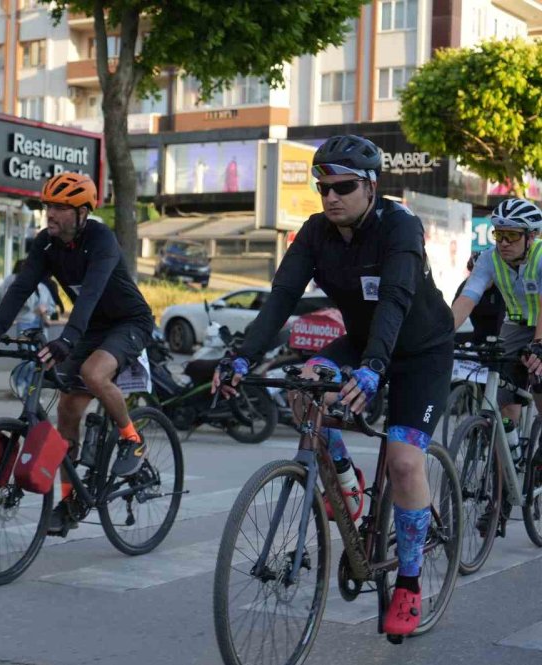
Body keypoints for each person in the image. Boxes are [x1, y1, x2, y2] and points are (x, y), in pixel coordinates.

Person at [212, 134, 455, 636]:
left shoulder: (400, 228)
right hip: (363, 342)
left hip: (418, 351)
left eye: (343, 187)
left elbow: (395, 301)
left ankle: (409, 585)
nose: (331, 198)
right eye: (323, 188)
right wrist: (241, 357)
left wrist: (373, 369)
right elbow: (280, 299)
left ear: (370, 187)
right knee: (302, 383)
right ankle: (345, 481)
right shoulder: (316, 232)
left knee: (406, 461)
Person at [0, 172, 156, 534]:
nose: (50, 214)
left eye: (59, 208)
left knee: (94, 373)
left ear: (82, 212)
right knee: (68, 408)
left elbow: (89, 295)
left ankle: (133, 439)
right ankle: (71, 501)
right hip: (90, 328)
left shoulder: (101, 239)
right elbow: (21, 288)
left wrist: (67, 339)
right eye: (47, 206)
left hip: (129, 322)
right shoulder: (46, 245)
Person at [452, 199, 542, 494]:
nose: (503, 242)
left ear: (531, 237)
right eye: (498, 235)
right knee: (502, 400)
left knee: (540, 383)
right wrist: (439, 336)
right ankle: (508, 471)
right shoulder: (489, 260)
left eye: (512, 235)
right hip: (515, 326)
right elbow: (468, 297)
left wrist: (539, 346)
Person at [452, 251, 505, 344]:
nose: (482, 278)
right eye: (476, 275)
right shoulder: (466, 285)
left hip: (502, 333)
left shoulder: (502, 286)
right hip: (478, 334)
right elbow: (454, 315)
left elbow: (503, 316)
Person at [1, 258, 55, 335]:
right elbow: (8, 300)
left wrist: (45, 310)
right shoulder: (13, 282)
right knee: (25, 345)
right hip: (24, 322)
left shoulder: (42, 287)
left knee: (42, 346)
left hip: (41, 325)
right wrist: (34, 309)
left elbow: (51, 305)